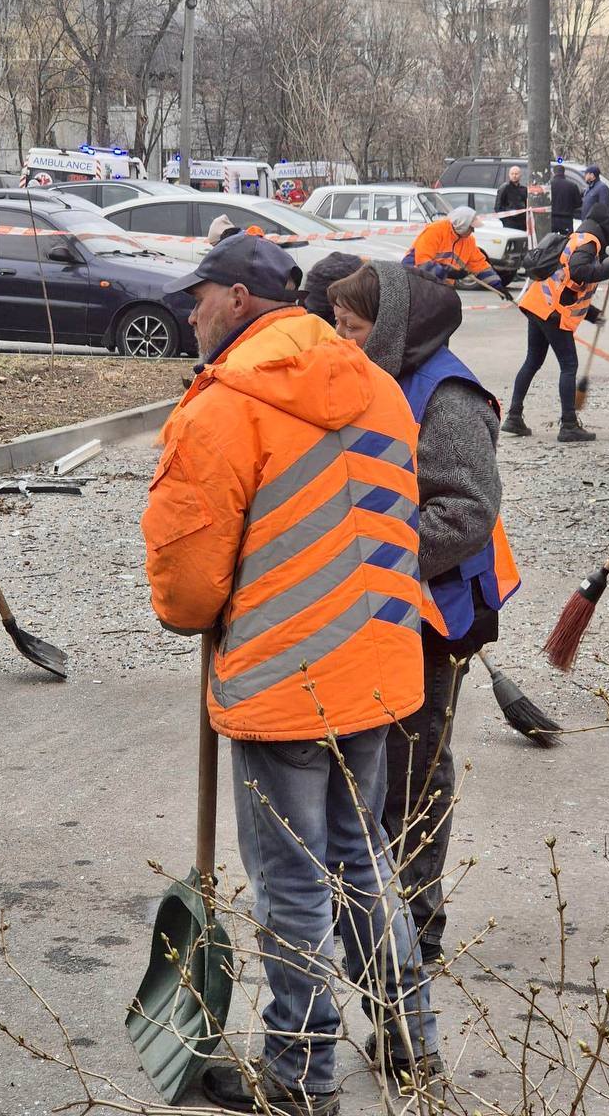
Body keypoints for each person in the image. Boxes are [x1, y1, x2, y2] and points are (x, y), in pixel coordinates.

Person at [142, 232, 443, 1114]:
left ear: (240, 299)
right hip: (378, 668)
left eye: (198, 297)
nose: (188, 313)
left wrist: (211, 602)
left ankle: (300, 1077)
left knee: (294, 887)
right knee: (364, 861)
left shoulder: (223, 404)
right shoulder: (378, 386)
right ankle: (408, 1037)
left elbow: (188, 588)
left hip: (284, 683)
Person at [327, 259, 519, 963]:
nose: (340, 340)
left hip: (436, 615)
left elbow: (466, 511)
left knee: (415, 769)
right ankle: (376, 908)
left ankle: (417, 922)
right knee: (374, 766)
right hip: (387, 605)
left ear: (394, 329)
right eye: (336, 327)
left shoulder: (448, 395)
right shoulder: (378, 381)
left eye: (352, 328)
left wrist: (373, 558)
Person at [502, 201, 609, 442]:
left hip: (537, 304)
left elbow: (568, 286)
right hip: (552, 312)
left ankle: (514, 416)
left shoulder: (576, 239)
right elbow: (578, 272)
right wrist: (607, 270)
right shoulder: (590, 242)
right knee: (569, 365)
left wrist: (592, 314)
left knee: (532, 360)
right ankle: (568, 425)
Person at [403, 205, 503, 291]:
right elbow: (422, 263)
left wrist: (497, 285)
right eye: (471, 227)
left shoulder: (469, 241)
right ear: (461, 224)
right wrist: (448, 272)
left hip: (441, 283)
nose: (473, 231)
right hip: (414, 278)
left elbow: (480, 265)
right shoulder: (435, 230)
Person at [550, 164, 582, 234]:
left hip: (552, 219)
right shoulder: (572, 186)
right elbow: (578, 203)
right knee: (567, 241)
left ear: (553, 173)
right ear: (564, 172)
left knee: (551, 241)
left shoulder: (549, 185)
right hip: (567, 219)